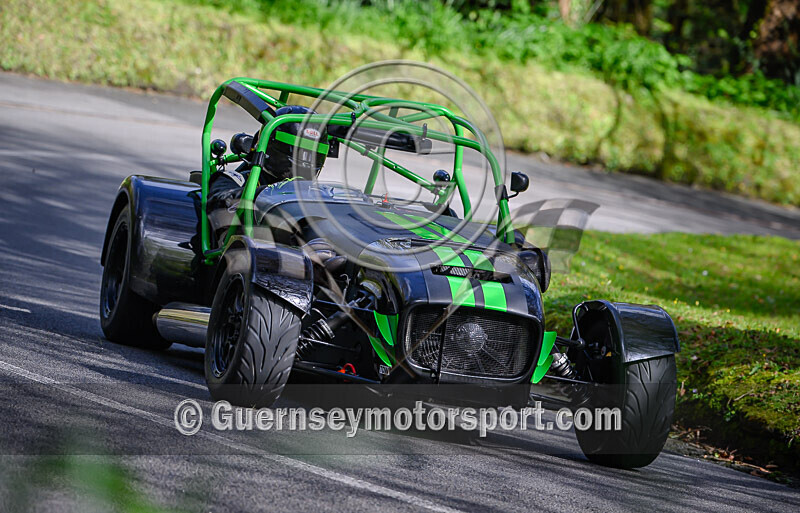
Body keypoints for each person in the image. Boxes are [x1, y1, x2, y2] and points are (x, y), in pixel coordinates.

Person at [207, 105, 328, 245]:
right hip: (250, 253)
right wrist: (268, 195)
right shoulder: (237, 180)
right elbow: (220, 199)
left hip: (304, 253)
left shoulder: (315, 194)